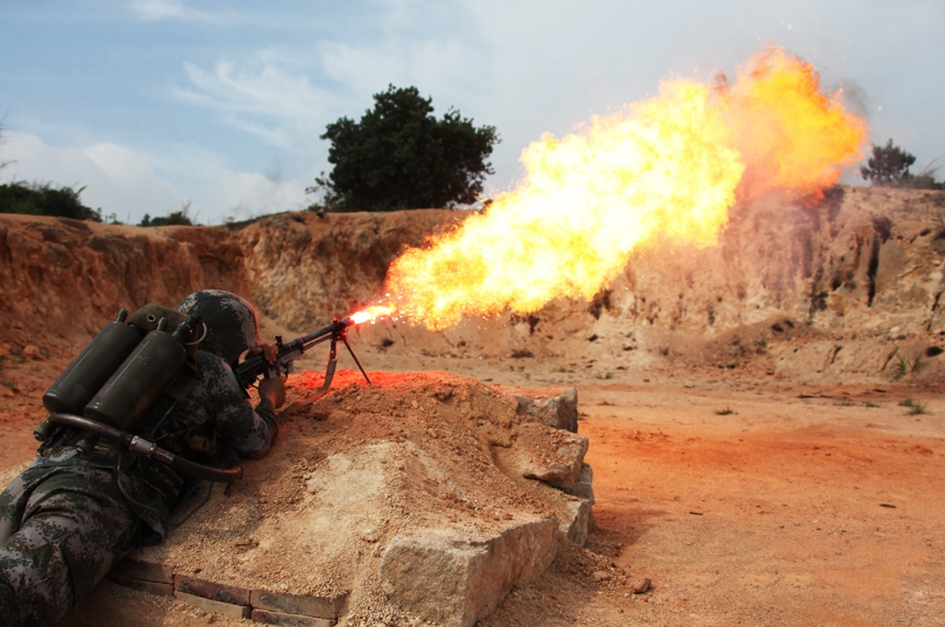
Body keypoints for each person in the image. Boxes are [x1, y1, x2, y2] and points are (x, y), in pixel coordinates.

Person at [0, 290, 286, 627]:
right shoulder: (210, 368)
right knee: (12, 593)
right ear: (233, 340)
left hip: (41, 474)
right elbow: (254, 441)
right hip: (96, 495)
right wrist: (269, 402)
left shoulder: (140, 354)